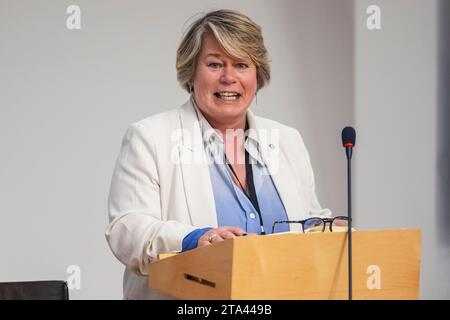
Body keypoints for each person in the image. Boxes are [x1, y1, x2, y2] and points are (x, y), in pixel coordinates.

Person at [105, 9, 331, 300]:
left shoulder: (287, 140)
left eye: (241, 64)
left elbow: (308, 218)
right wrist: (194, 239)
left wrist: (326, 228)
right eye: (214, 64)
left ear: (257, 75)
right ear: (191, 72)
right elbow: (127, 229)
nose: (229, 78)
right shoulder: (150, 137)